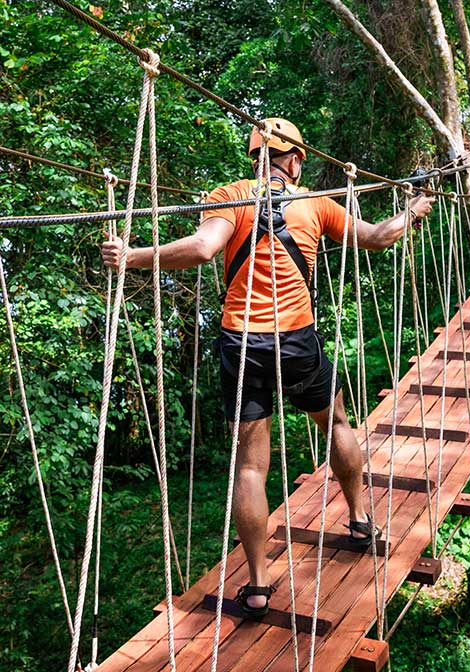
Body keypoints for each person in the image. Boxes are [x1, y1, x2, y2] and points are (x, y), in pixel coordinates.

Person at [101, 117, 435, 618]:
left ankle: (257, 586)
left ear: (255, 157)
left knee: (251, 467)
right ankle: (360, 520)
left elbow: (203, 248)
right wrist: (413, 210)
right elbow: (376, 237)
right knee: (335, 423)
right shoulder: (315, 203)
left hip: (242, 344)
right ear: (294, 159)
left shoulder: (231, 194)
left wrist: (133, 257)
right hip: (297, 341)